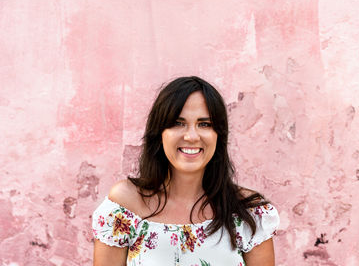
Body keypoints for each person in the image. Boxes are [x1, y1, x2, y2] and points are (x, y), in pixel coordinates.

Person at [92, 76, 279, 266]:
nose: (191, 136)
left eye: (204, 124)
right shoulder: (124, 208)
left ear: (218, 136)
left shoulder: (249, 214)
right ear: (160, 133)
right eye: (178, 123)